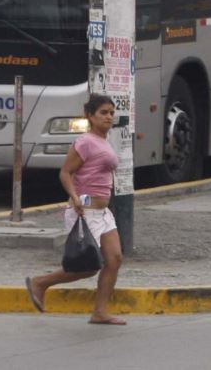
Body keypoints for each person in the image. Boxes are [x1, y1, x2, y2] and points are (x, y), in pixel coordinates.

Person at [25, 92, 126, 324]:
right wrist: (75, 197)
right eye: (103, 113)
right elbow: (65, 172)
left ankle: (100, 312)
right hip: (85, 210)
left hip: (103, 211)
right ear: (89, 116)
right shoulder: (85, 142)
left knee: (115, 259)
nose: (108, 117)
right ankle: (40, 282)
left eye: (111, 113)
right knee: (88, 267)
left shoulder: (104, 140)